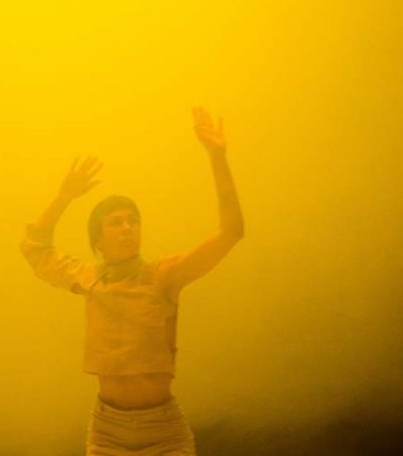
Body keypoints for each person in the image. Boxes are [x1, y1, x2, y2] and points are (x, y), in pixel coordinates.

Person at [20, 107, 244, 455]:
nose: (127, 227)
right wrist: (64, 196)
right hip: (108, 432)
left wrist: (217, 156)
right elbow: (35, 249)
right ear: (98, 240)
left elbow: (231, 232)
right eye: (116, 222)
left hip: (163, 431)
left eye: (132, 221)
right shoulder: (89, 278)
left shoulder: (163, 275)